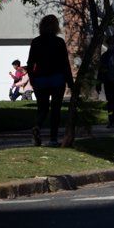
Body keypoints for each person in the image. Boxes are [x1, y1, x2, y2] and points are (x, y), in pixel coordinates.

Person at [27, 15, 73, 147]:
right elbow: (65, 64)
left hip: (40, 79)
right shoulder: (59, 42)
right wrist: (70, 82)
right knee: (56, 109)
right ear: (56, 27)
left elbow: (30, 63)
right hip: (57, 79)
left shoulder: (36, 42)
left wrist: (32, 79)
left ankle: (37, 125)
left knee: (42, 108)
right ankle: (53, 138)